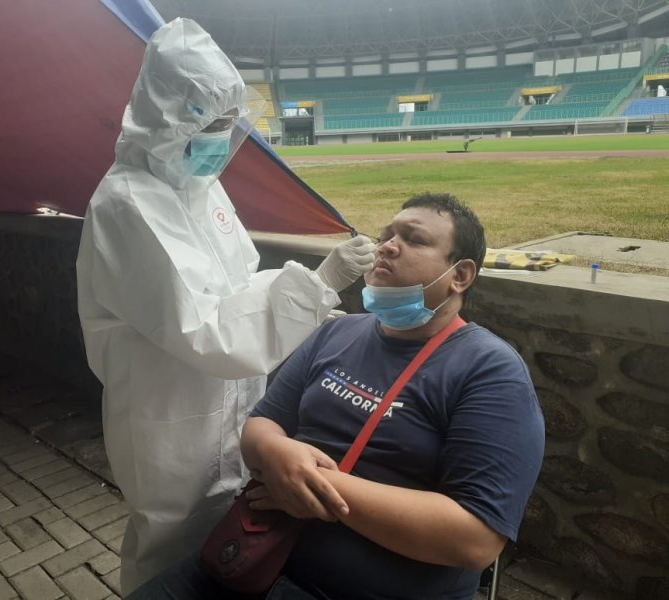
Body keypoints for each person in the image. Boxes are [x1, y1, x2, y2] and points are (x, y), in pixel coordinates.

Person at [75, 17, 374, 594]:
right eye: (210, 124)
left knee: (221, 541)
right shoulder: (127, 203)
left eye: (227, 123)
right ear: (168, 119)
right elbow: (205, 329)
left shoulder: (198, 184)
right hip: (167, 413)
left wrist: (308, 313)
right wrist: (316, 286)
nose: (221, 138)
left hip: (230, 401)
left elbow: (240, 281)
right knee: (168, 545)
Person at [128, 192, 546, 600]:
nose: (388, 248)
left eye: (414, 239)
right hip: (247, 557)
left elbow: (473, 540)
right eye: (387, 236)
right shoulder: (337, 332)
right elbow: (261, 423)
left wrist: (314, 487)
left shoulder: (491, 371)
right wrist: (275, 450)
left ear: (460, 275)